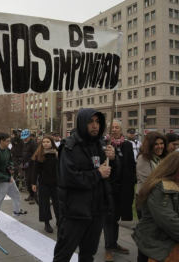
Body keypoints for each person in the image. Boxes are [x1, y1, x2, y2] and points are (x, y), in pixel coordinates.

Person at [53, 108, 118, 262]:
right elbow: (69, 177)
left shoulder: (102, 145)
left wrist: (113, 160)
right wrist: (97, 174)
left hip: (97, 210)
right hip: (75, 211)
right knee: (63, 254)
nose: (95, 125)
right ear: (82, 123)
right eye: (90, 122)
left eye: (97, 122)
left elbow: (111, 175)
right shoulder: (70, 147)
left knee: (88, 254)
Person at [103, 120, 136, 262]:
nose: (114, 130)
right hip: (109, 188)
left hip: (123, 188)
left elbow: (130, 165)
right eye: (112, 128)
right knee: (109, 218)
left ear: (121, 130)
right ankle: (108, 247)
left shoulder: (128, 145)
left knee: (116, 217)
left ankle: (114, 243)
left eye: (117, 127)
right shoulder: (104, 145)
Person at [0, 133, 28, 232]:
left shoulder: (7, 150)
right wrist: (5, 178)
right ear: (1, 141)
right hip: (1, 181)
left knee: (16, 195)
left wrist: (10, 168)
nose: (9, 142)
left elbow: (10, 161)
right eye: (7, 141)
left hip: (9, 178)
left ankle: (16, 211)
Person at [136, 131, 168, 219]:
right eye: (156, 144)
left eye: (161, 143)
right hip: (146, 199)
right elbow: (148, 181)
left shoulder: (162, 158)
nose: (160, 147)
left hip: (160, 198)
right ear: (149, 146)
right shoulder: (142, 159)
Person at [31, 136, 60, 233]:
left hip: (56, 183)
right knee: (44, 203)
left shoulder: (57, 154)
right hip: (44, 183)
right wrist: (33, 183)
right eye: (44, 142)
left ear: (52, 143)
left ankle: (59, 220)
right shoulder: (40, 155)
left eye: (47, 142)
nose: (45, 143)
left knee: (58, 203)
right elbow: (35, 171)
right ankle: (47, 223)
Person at [21, 129, 38, 204]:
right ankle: (31, 195)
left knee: (31, 180)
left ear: (30, 136)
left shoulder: (33, 143)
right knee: (27, 181)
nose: (25, 139)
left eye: (26, 137)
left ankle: (34, 196)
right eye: (24, 137)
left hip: (32, 165)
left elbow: (35, 154)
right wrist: (22, 162)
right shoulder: (25, 143)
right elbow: (24, 153)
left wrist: (29, 162)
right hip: (26, 165)